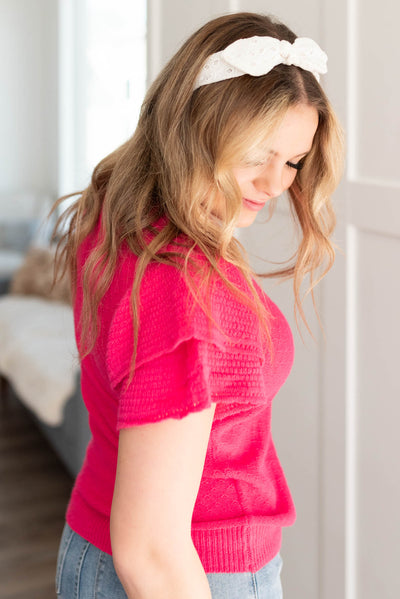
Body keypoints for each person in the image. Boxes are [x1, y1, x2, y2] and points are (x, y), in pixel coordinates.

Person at [53, 11, 344, 599]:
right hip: (190, 572)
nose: (275, 182)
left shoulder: (120, 211)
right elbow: (152, 551)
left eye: (292, 161)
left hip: (97, 544)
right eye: (259, 152)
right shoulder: (182, 286)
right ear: (196, 124)